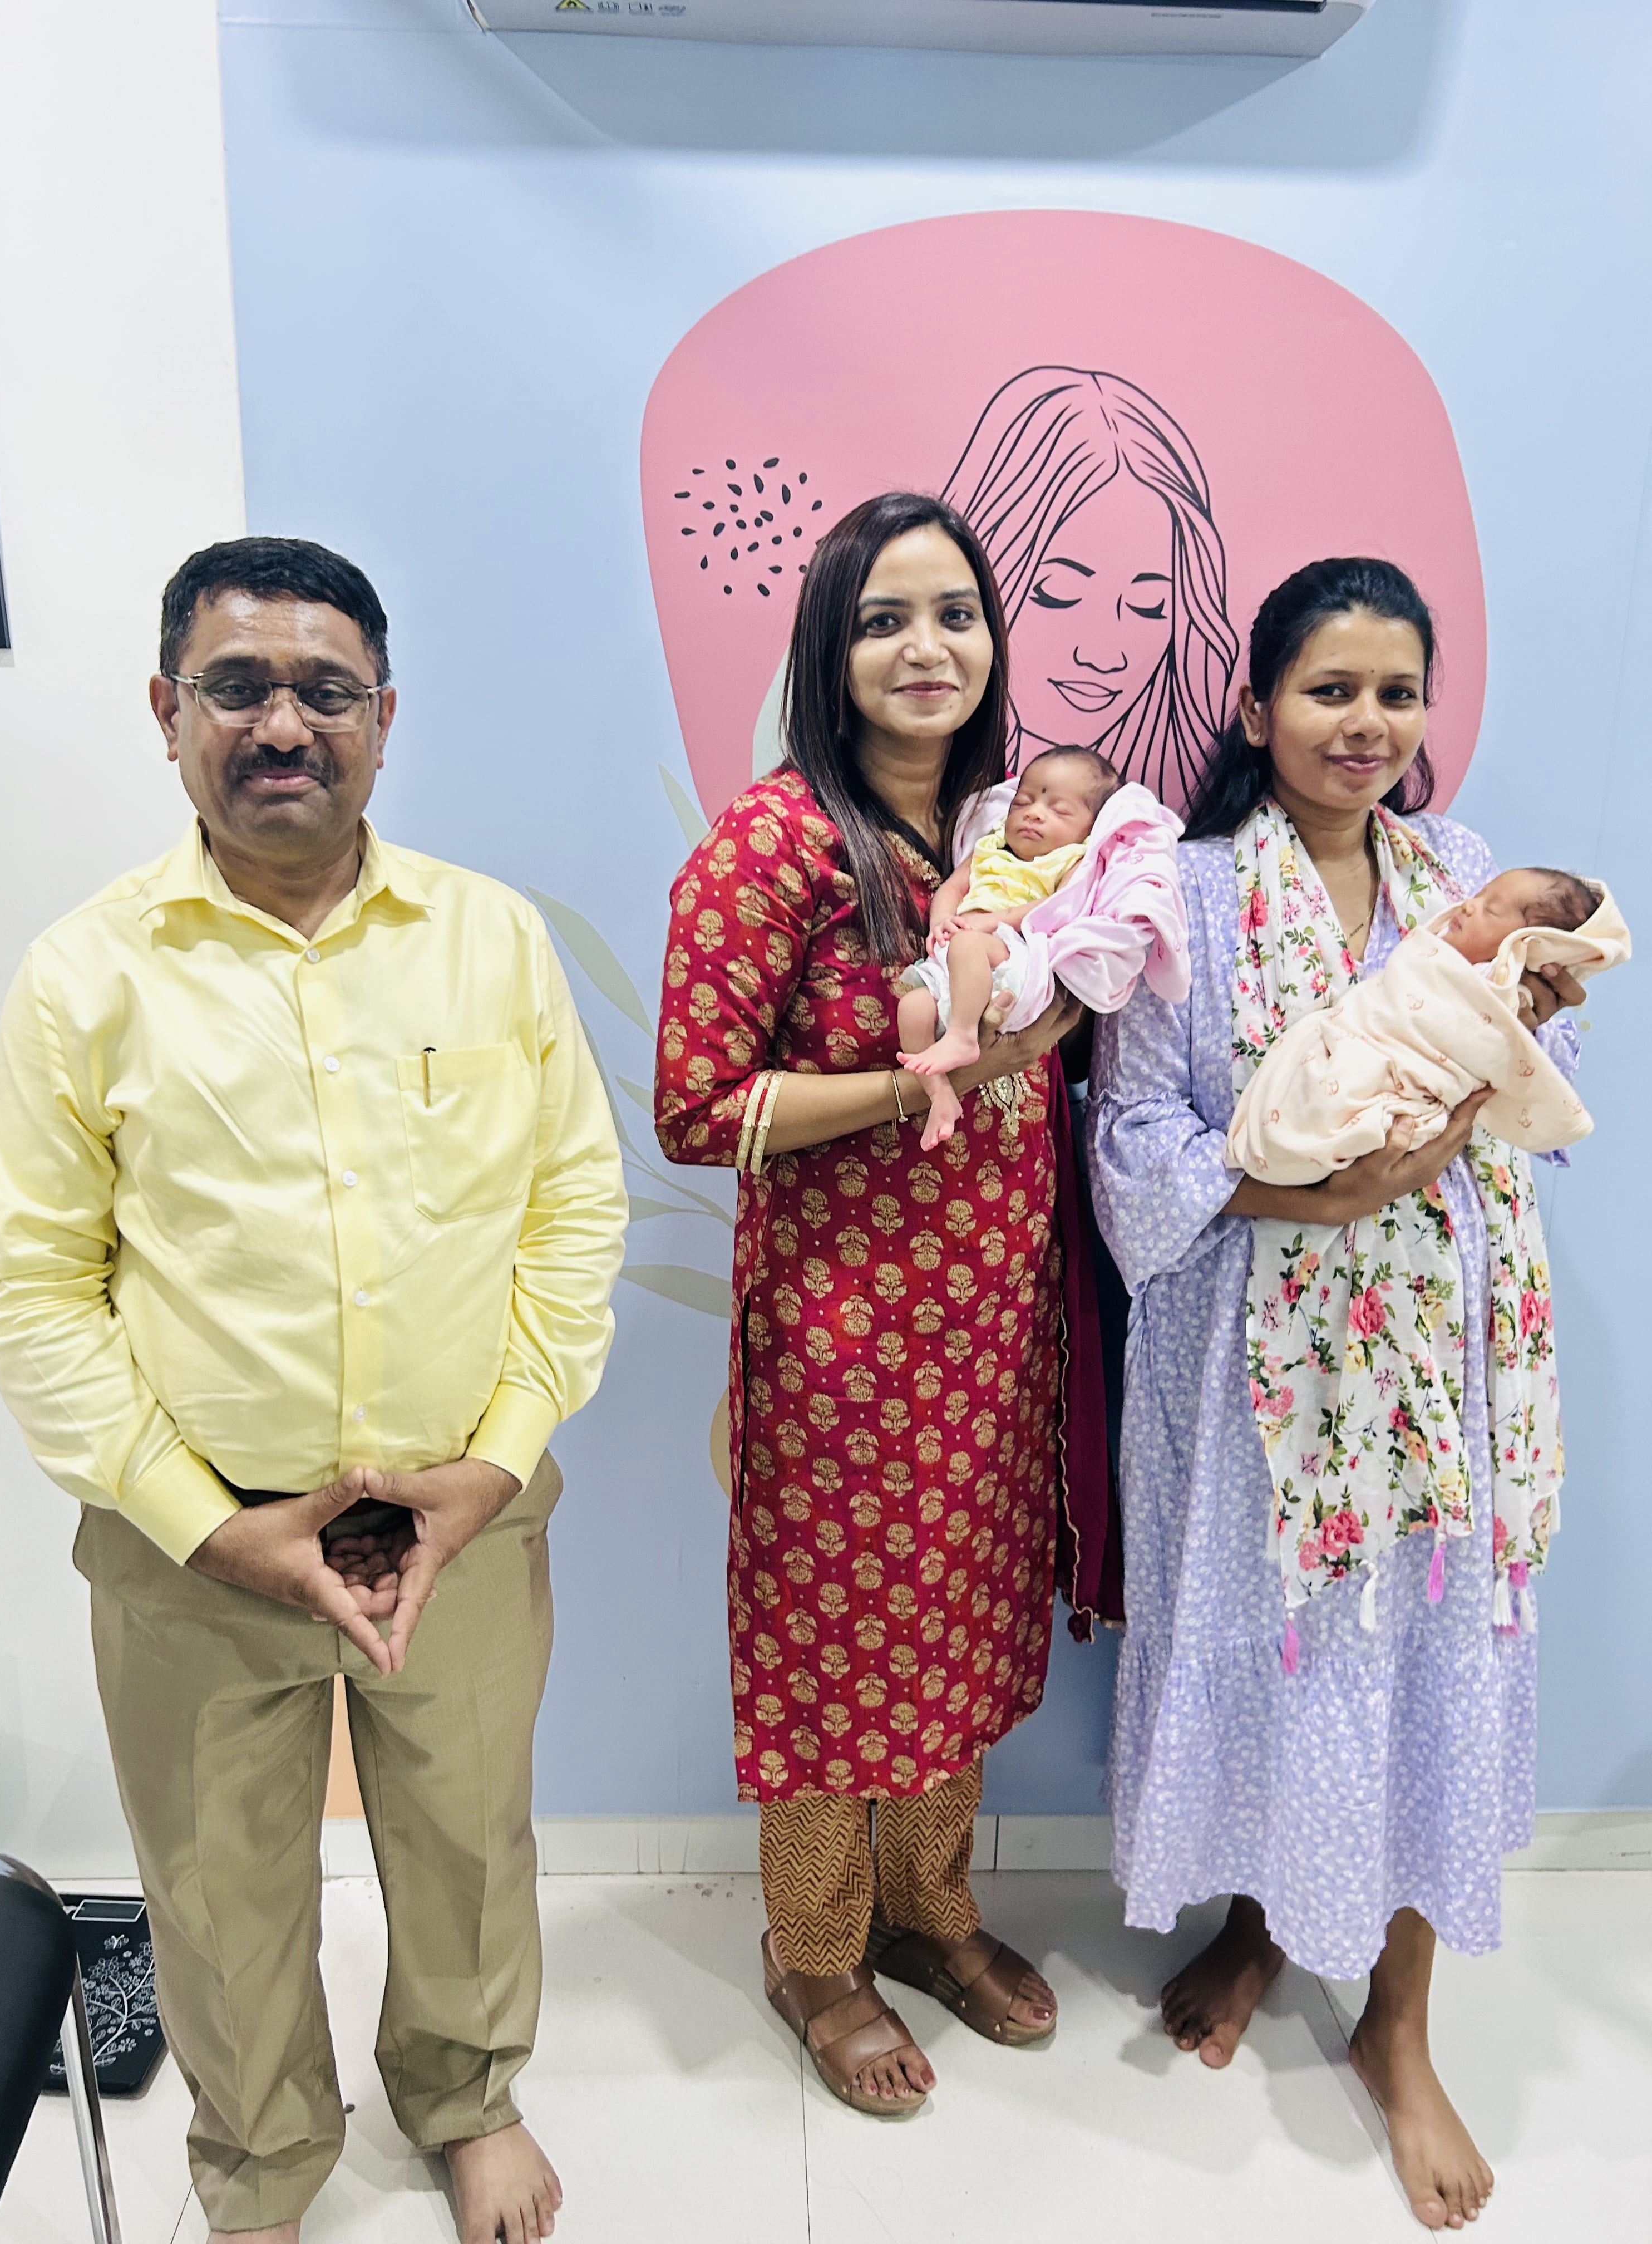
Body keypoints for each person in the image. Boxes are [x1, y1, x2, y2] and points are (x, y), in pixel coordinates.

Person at [0, 537, 627, 2244]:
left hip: (463, 1512)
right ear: (166, 714)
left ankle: (465, 2098)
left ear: (384, 721)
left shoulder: (489, 940)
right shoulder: (83, 977)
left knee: (470, 1839)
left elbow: (573, 1210)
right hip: (194, 1534)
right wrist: (207, 1524)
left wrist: (493, 1466)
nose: (282, 723)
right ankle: (263, 2170)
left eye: (324, 690)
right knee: (214, 1885)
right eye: (237, 687)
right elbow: (30, 1289)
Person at [1088, 557, 1586, 2232]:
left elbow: (1536, 1079)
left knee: (1428, 1648)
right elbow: (1135, 1139)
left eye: (1392, 693)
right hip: (1252, 1354)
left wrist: (1504, 1049)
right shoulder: (1189, 892)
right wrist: (1300, 1197)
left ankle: (1399, 2019)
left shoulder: (1467, 880)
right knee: (1270, 1640)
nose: (1362, 723)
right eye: (1327, 690)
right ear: (1256, 707)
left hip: (1441, 1359)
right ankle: (1255, 1922)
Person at [654, 491, 1082, 2117]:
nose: (926, 647)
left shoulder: (1008, 848)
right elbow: (696, 1110)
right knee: (841, 1662)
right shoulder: (774, 843)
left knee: (963, 1639)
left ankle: (933, 1910)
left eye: (956, 614)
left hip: (993, 1344)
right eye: (884, 617)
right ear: (830, 653)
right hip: (843, 1354)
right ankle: (817, 1955)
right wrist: (921, 1087)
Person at [942, 365, 1239, 809]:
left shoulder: (1158, 826)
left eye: (1149, 605)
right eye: (1057, 592)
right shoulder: (920, 805)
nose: (1102, 656)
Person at [1227, 867, 1626, 1185]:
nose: (1469, 906)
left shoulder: (1499, 988)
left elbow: (1495, 1053)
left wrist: (1525, 1019)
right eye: (1479, 896)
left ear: (1528, 945)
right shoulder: (1216, 877)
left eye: (1490, 910)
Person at [897, 746, 1119, 1146]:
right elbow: (953, 888)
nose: (1034, 813)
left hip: (1009, 956)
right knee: (911, 1008)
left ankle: (963, 1035)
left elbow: (1057, 909)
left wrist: (988, 924)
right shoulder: (989, 847)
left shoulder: (1072, 860)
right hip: (958, 954)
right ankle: (938, 1094)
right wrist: (940, 922)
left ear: (1090, 828)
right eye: (1024, 802)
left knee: (968, 946)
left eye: (1060, 811)